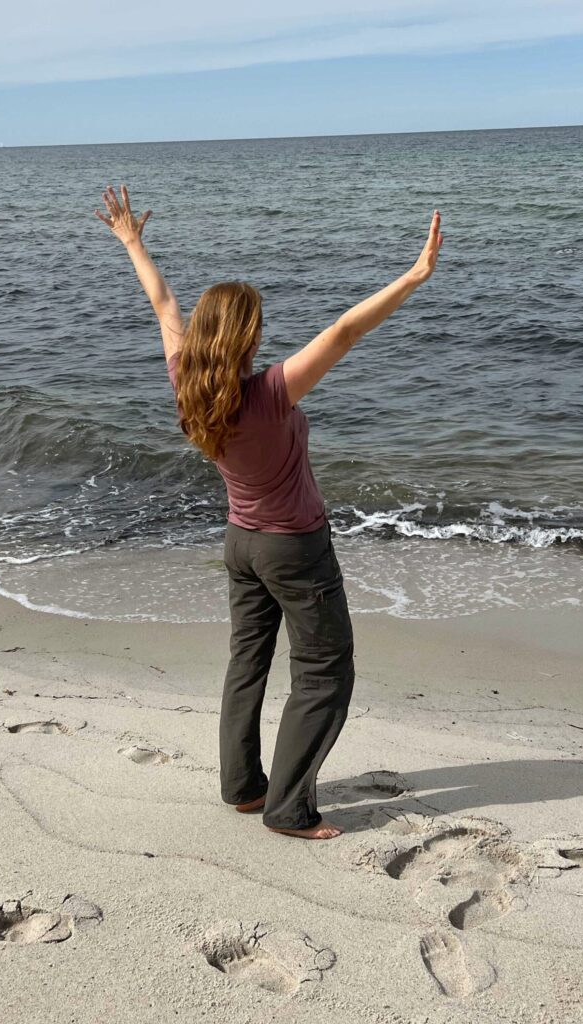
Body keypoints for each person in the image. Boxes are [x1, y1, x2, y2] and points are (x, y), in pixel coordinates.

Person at [96, 185, 442, 839]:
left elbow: (163, 303)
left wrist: (132, 243)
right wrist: (414, 275)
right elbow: (345, 331)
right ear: (247, 336)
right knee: (324, 670)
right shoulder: (271, 392)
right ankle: (287, 808)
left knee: (247, 662)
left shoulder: (186, 380)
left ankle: (244, 787)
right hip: (294, 550)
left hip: (241, 544)